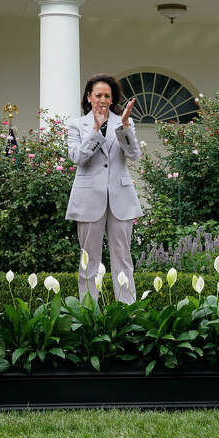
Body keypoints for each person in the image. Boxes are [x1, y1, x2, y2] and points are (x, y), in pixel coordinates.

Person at [65, 74, 142, 303]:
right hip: (89, 199)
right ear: (89, 97)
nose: (102, 99)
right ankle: (88, 312)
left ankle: (127, 314)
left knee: (123, 260)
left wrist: (125, 127)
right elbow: (77, 157)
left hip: (121, 198)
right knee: (89, 261)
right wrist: (96, 130)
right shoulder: (77, 124)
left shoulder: (124, 122)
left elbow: (134, 155)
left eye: (107, 95)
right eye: (98, 95)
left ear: (112, 99)